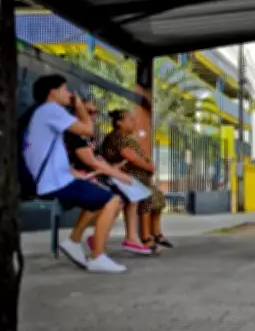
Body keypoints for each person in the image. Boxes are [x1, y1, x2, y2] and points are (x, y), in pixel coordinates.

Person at [22, 75, 126, 273]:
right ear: (53, 91)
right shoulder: (51, 110)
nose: (69, 94)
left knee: (97, 200)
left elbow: (48, 153)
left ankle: (74, 241)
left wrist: (73, 173)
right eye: (65, 89)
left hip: (55, 179)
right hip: (52, 183)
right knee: (113, 200)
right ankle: (98, 256)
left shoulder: (42, 113)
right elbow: (88, 131)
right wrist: (79, 106)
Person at [64, 98, 155, 256]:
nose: (93, 116)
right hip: (82, 176)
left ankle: (117, 239)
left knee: (126, 195)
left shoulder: (88, 136)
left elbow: (97, 161)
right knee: (113, 198)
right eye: (88, 112)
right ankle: (80, 241)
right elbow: (91, 162)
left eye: (95, 112)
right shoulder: (75, 135)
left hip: (96, 174)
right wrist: (118, 172)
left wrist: (112, 169)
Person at [100, 109, 173, 250]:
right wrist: (148, 166)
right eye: (131, 120)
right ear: (120, 123)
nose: (135, 123)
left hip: (136, 178)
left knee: (158, 198)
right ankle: (146, 237)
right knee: (148, 198)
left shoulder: (125, 137)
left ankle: (156, 232)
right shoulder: (118, 136)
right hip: (126, 178)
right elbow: (130, 156)